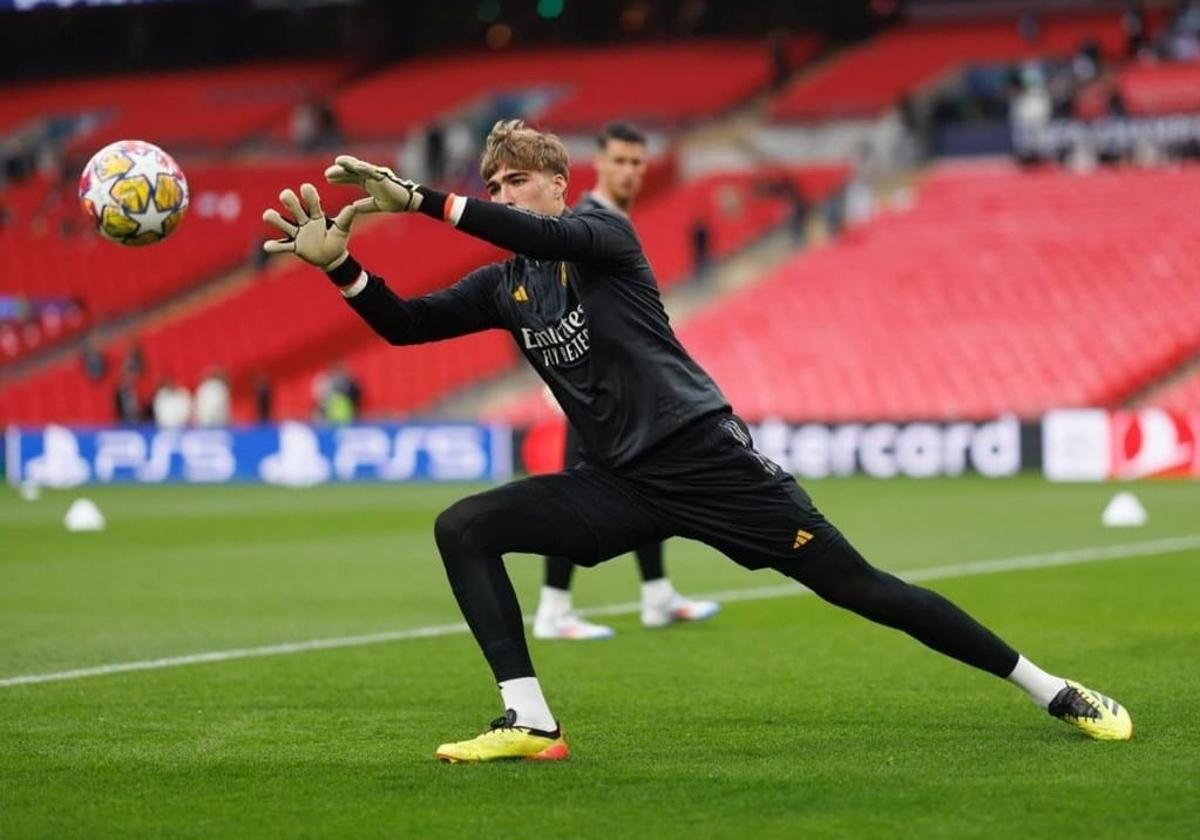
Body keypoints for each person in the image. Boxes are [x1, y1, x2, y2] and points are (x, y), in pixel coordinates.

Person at [262, 120, 1132, 764]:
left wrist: (419, 200)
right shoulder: (505, 286)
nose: (502, 191)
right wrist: (343, 268)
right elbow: (407, 327)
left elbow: (536, 233)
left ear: (558, 184)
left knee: (866, 590)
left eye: (515, 180)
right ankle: (530, 720)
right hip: (621, 484)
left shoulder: (601, 238)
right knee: (464, 526)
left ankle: (1051, 690)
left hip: (706, 458)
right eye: (492, 181)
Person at [534, 122, 718, 641]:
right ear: (600, 163)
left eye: (638, 163)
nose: (630, 172)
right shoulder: (588, 221)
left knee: (650, 479)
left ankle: (656, 594)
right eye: (620, 161)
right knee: (579, 491)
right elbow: (549, 291)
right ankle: (553, 609)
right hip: (592, 389)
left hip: (620, 388)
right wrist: (559, 371)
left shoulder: (613, 221)